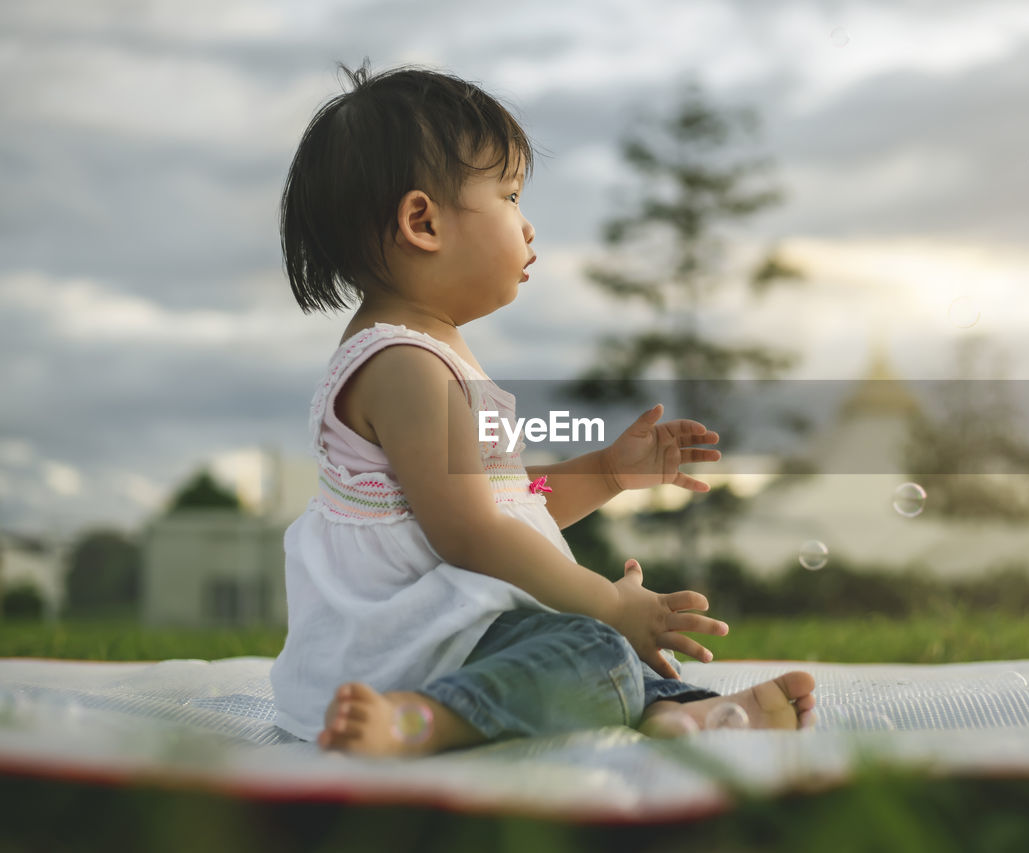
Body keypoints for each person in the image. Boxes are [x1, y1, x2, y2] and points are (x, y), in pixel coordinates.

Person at [269, 61, 816, 758]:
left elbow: (502, 508)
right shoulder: (405, 368)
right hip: (400, 655)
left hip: (449, 637)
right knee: (595, 646)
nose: (528, 229)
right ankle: (420, 720)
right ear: (422, 221)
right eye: (509, 196)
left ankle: (680, 713)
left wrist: (608, 474)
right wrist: (606, 600)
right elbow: (472, 534)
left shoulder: (434, 358)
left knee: (602, 650)